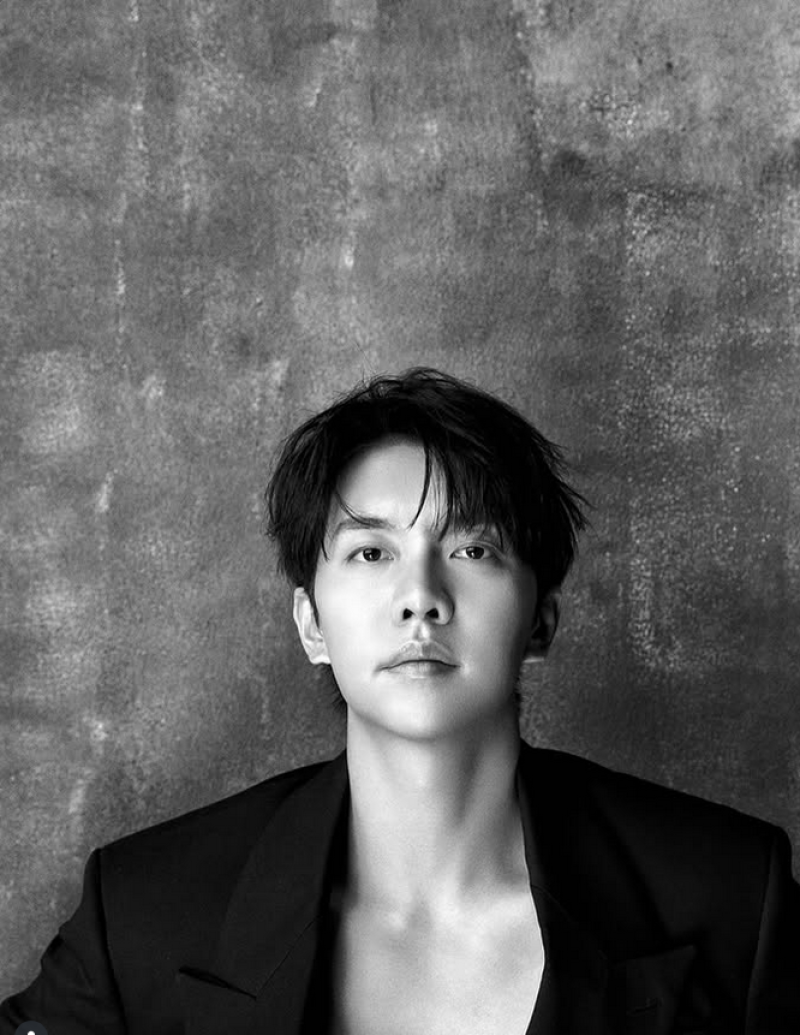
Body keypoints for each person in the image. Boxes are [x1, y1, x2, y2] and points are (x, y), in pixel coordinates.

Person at [1, 367, 799, 1034]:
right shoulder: (145, 910)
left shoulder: (730, 897)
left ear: (541, 620)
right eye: (371, 552)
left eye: (473, 548)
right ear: (311, 623)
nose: (421, 596)